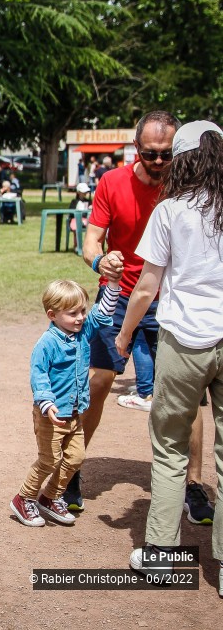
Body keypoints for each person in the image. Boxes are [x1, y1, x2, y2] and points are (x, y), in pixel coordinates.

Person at [69, 110, 213, 523]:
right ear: (137, 148)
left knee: (188, 399)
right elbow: (91, 242)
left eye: (167, 154)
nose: (159, 162)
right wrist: (102, 262)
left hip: (170, 301)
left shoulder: (185, 184)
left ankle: (194, 485)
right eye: (150, 154)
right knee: (97, 382)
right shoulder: (112, 181)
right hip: (118, 296)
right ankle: (73, 469)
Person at [117, 121, 223, 591]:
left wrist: (123, 338)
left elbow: (145, 287)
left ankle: (161, 553)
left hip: (183, 342)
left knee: (168, 449)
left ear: (180, 160)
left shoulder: (170, 210)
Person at [11, 278, 122, 527]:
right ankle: (24, 498)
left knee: (75, 458)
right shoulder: (47, 344)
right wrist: (47, 403)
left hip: (74, 413)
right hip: (51, 414)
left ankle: (50, 496)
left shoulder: (83, 332)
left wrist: (113, 286)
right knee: (49, 460)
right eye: (72, 314)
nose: (81, 317)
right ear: (52, 315)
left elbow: (103, 311)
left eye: (82, 311)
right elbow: (38, 375)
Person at [68, 182, 91, 251]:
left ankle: (88, 247)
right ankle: (77, 246)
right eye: (83, 192)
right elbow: (71, 213)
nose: (85, 193)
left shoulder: (89, 201)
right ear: (78, 192)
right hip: (76, 220)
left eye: (86, 192)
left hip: (86, 220)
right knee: (76, 227)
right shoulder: (74, 202)